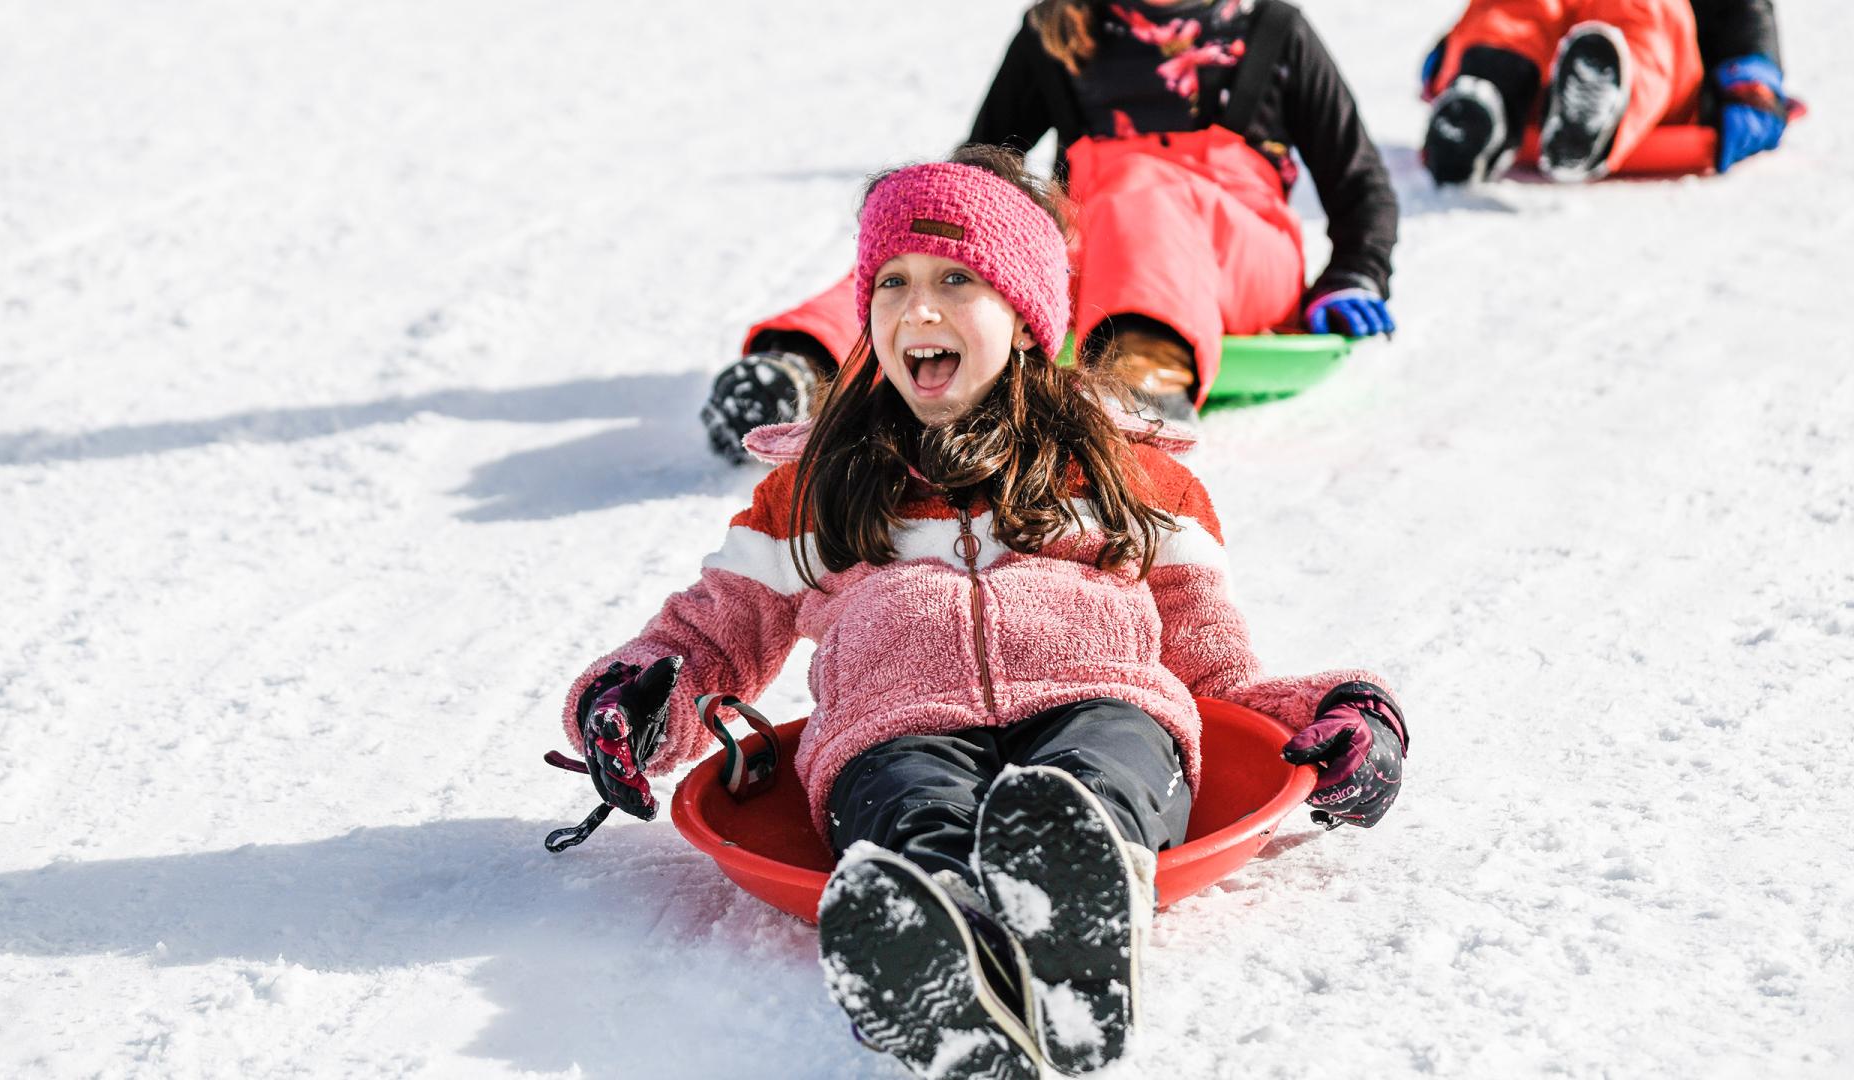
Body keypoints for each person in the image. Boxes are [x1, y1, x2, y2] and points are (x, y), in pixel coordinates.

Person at [562, 147, 1408, 1079]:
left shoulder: (1133, 479)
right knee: (908, 802)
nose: (917, 309)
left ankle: (1073, 912)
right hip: (894, 725)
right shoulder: (820, 488)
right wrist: (637, 704)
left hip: (1103, 704)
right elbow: (709, 639)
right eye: (892, 281)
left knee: (1090, 783)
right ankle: (941, 953)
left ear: (1027, 312)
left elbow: (1214, 673)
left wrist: (1337, 714)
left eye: (955, 279)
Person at [702, 0, 1399, 461]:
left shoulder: (1273, 30)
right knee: (961, 240)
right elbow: (977, 173)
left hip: (1236, 253)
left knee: (1136, 184)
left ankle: (1143, 373)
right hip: (1100, 242)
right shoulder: (1061, 26)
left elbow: (1358, 180)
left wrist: (1355, 275)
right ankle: (805, 366)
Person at [1421, 0, 1787, 183]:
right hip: (1542, 71)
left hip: (1661, 98)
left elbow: (1742, 12)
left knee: (1645, 15)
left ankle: (1599, 110)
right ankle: (1485, 97)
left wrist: (1752, 83)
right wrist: (1451, 49)